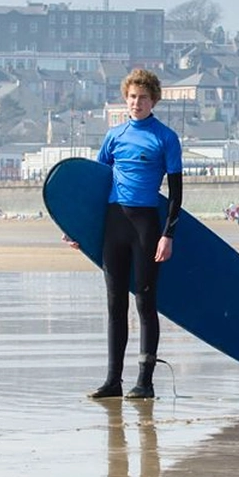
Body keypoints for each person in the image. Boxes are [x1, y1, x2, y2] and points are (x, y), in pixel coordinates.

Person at [68, 69, 183, 399]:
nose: (137, 103)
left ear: (154, 100)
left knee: (146, 303)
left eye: (143, 98)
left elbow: (176, 192)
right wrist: (79, 231)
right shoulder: (114, 136)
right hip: (114, 222)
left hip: (146, 225)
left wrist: (168, 234)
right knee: (115, 304)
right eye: (132, 97)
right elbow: (96, 185)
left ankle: (144, 382)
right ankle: (112, 381)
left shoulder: (165, 138)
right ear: (125, 99)